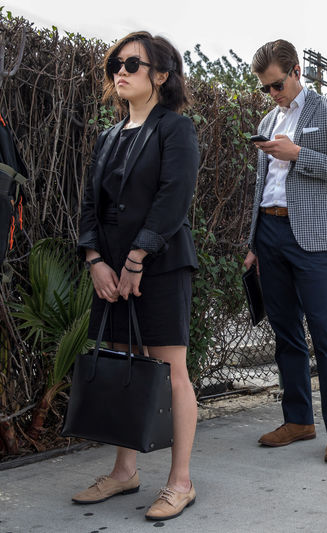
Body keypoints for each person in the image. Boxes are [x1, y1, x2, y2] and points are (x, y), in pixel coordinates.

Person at [74, 31, 200, 521]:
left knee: (170, 373)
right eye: (115, 66)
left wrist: (135, 259)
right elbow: (90, 204)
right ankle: (125, 471)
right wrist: (95, 261)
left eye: (132, 64)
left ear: (161, 76)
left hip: (161, 267)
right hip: (110, 272)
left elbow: (174, 199)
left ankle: (180, 481)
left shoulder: (176, 129)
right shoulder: (109, 135)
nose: (120, 72)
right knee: (123, 366)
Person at [245, 40, 327, 462]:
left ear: (296, 71)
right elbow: (261, 185)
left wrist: (299, 154)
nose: (272, 94)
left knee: (326, 332)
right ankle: (298, 420)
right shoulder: (268, 117)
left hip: (311, 236)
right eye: (265, 88)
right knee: (286, 332)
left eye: (276, 84)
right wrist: (253, 241)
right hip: (270, 232)